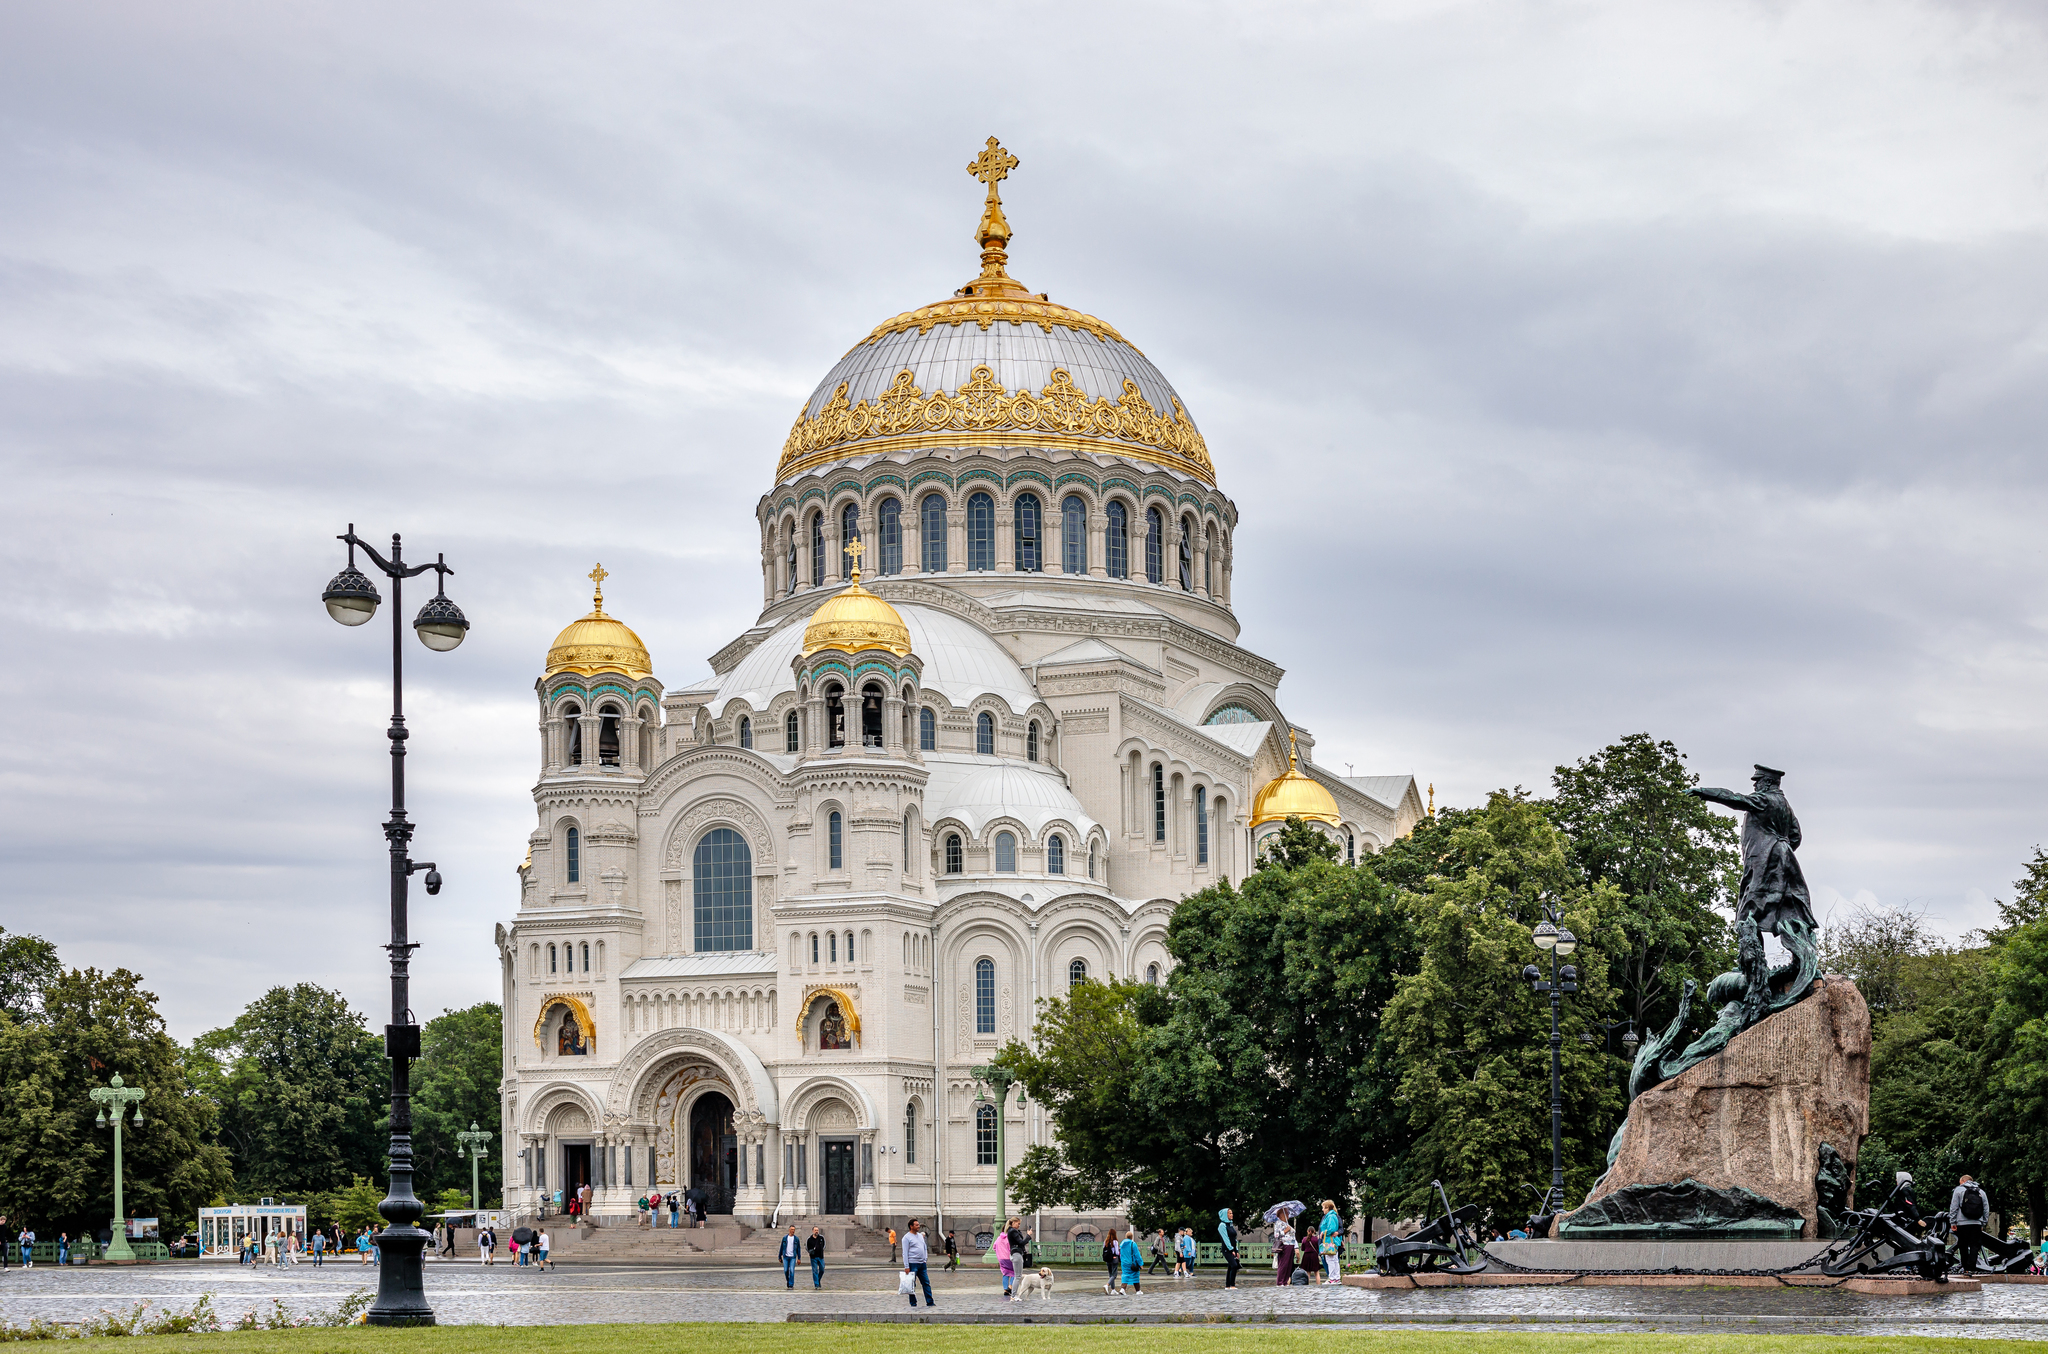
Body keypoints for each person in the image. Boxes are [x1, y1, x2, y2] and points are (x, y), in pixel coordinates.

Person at [1951, 1175, 1992, 1272]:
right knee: (1975, 1245)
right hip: (1976, 1223)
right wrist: (1983, 1223)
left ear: (1962, 1181)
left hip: (1962, 1223)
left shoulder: (1958, 1190)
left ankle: (1965, 1268)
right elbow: (1986, 1209)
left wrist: (1952, 1221)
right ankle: (1971, 1267)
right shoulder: (1981, 1192)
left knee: (1963, 1245)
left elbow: (1954, 1207)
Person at [902, 1219, 934, 1308]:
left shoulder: (920, 1236)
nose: (918, 1226)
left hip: (922, 1264)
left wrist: (925, 1259)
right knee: (911, 1284)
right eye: (916, 1225)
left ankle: (930, 1301)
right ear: (911, 1226)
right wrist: (906, 1266)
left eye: (918, 1224)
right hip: (912, 1263)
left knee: (926, 1282)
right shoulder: (906, 1238)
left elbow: (924, 1247)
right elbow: (905, 1252)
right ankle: (913, 1303)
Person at [1320, 1201, 1344, 1284]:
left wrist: (1323, 1232)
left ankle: (1332, 1278)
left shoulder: (1330, 1216)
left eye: (1323, 1207)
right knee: (1334, 1260)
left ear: (1327, 1208)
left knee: (1330, 1260)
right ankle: (1336, 1278)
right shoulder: (1333, 1216)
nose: (1322, 1210)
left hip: (1330, 1241)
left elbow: (1331, 1229)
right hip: (1333, 1240)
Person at [1218, 1208, 1240, 1290]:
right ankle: (1232, 1285)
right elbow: (1225, 1239)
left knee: (1231, 1266)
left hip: (1233, 1249)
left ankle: (1227, 1286)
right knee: (1234, 1265)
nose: (1231, 1215)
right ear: (1225, 1215)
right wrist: (1231, 1250)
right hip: (1227, 1249)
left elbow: (1234, 1239)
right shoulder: (1222, 1225)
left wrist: (1236, 1250)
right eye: (1229, 1213)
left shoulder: (1230, 1225)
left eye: (1232, 1213)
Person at [1119, 1229, 1144, 1295]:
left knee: (1125, 1275)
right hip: (1132, 1263)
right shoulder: (1133, 1244)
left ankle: (1122, 1289)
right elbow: (1137, 1255)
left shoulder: (1122, 1245)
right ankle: (1138, 1291)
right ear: (1132, 1237)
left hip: (1124, 1263)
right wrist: (1141, 1264)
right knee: (1135, 1275)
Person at [1274, 1214, 1295, 1286]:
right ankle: (1280, 1282)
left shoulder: (1286, 1223)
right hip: (1284, 1244)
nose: (1288, 1215)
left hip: (1290, 1244)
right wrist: (1286, 1231)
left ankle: (1285, 1281)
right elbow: (1276, 1235)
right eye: (1286, 1213)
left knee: (1289, 1264)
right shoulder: (1278, 1223)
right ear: (1282, 1215)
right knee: (1283, 1264)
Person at [995, 1221, 1015, 1300]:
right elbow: (1011, 1247)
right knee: (1015, 1272)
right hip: (1009, 1257)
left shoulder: (998, 1238)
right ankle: (1010, 1286)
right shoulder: (1008, 1238)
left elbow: (994, 1247)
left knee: (1005, 1273)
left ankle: (1005, 1289)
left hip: (1001, 1259)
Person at [1101, 1229, 1121, 1296]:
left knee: (1110, 1274)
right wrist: (1117, 1255)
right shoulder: (1115, 1242)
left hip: (1107, 1259)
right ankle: (1107, 1285)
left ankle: (1113, 1289)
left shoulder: (1105, 1241)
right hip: (1114, 1259)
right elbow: (1116, 1251)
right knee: (1114, 1275)